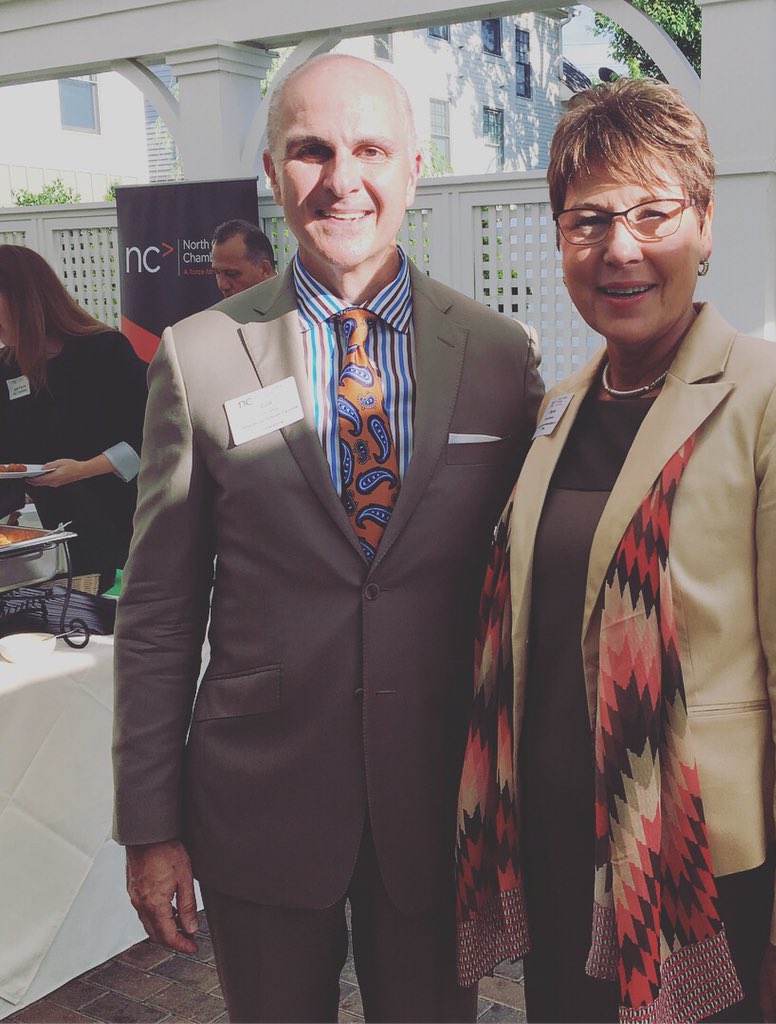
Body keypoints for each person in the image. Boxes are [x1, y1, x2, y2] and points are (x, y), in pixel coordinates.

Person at [112, 53, 543, 1024]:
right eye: (312, 150)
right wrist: (149, 823)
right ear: (273, 172)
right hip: (259, 802)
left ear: (415, 169)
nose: (342, 179)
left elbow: (525, 589)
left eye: (371, 150)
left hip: (438, 800)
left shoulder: (496, 356)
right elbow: (160, 608)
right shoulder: (199, 354)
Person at [454, 78, 776, 1024]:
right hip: (559, 854)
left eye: (653, 213)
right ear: (562, 239)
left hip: (696, 877)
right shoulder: (559, 407)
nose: (621, 248)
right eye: (589, 220)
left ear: (705, 225)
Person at [0, 244, 148, 592]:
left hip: (122, 525)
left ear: (22, 299)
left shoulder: (105, 350)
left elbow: (151, 435)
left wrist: (83, 469)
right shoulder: (8, 367)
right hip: (53, 538)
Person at [211, 219, 277, 297]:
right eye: (217, 273)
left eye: (231, 273)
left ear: (264, 269)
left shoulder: (289, 301)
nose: (221, 285)